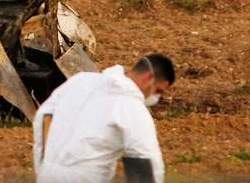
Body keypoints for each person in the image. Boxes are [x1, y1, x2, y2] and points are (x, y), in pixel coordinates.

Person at [33, 53, 175, 183]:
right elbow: (146, 160)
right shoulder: (132, 107)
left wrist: (44, 166)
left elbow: (44, 116)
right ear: (149, 77)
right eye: (158, 91)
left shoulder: (80, 81)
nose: (155, 97)